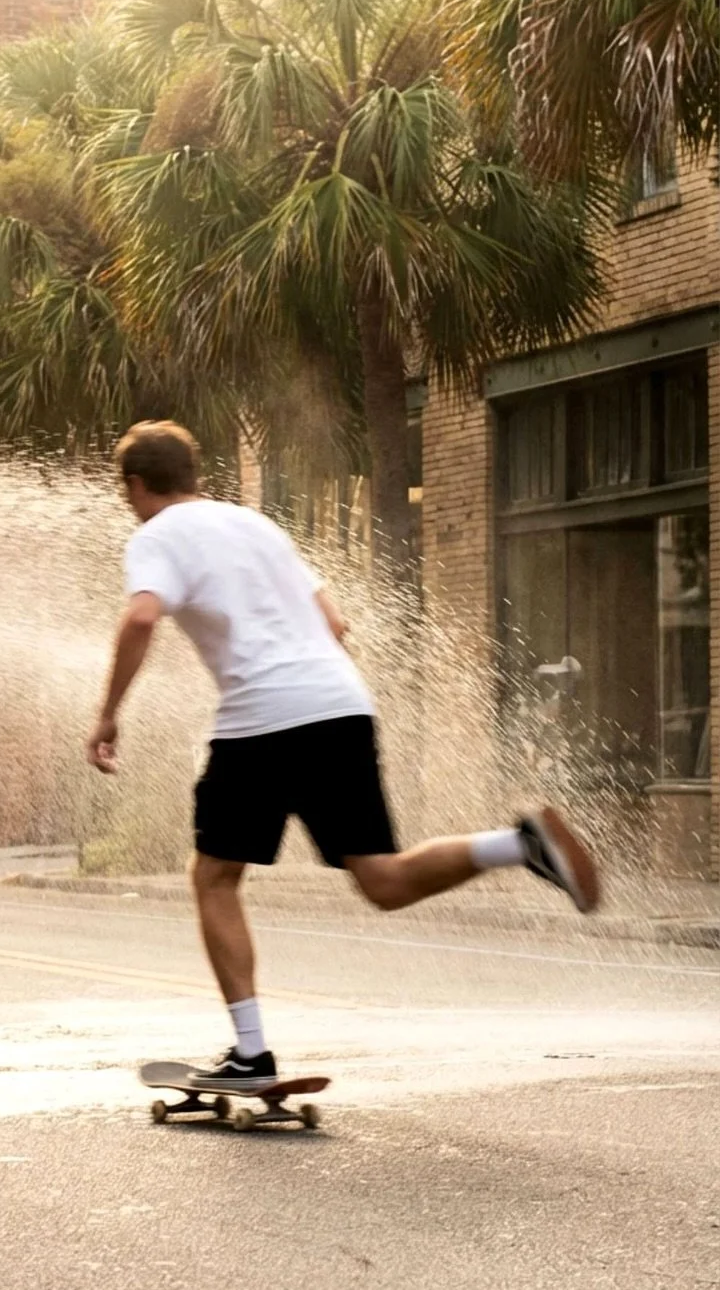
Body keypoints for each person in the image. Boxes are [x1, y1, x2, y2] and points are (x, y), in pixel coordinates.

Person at [85, 422, 599, 1092]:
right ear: (194, 474)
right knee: (382, 880)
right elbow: (333, 623)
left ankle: (251, 1053)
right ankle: (519, 845)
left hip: (261, 722)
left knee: (214, 877)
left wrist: (108, 716)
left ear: (136, 486)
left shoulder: (155, 536)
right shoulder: (257, 527)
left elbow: (142, 618)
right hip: (339, 704)